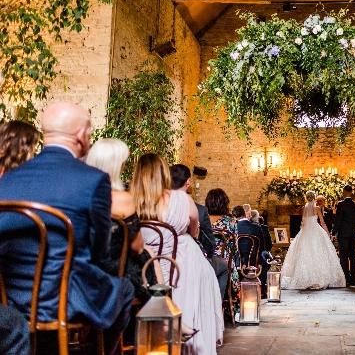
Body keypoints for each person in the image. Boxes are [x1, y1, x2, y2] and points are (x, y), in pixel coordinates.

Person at [0, 102, 134, 355]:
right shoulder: (92, 180)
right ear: (82, 136)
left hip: (10, 299)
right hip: (61, 299)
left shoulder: (8, 180)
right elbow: (99, 251)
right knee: (124, 289)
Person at [133, 154, 223, 355]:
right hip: (178, 263)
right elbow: (193, 230)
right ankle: (194, 342)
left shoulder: (132, 201)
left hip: (144, 266)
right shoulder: (182, 198)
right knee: (203, 269)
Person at [86, 138, 162, 303]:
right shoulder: (122, 199)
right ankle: (162, 315)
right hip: (112, 266)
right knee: (147, 254)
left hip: (83, 262)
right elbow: (137, 247)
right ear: (116, 167)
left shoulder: (80, 194)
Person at [170, 164, 229, 297]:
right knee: (223, 265)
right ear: (188, 182)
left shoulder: (159, 206)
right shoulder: (200, 210)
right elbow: (209, 247)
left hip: (165, 259)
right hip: (191, 262)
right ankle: (215, 303)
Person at [281, 190, 346, 289]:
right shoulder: (317, 208)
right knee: (319, 253)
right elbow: (323, 222)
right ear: (314, 198)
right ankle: (318, 277)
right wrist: (328, 234)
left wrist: (302, 232)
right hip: (316, 230)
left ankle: (306, 277)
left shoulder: (304, 208)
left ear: (306, 198)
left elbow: (303, 222)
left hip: (306, 231)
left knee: (305, 254)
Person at [206, 188, 240, 313]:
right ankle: (221, 306)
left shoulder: (203, 220)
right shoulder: (231, 222)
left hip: (204, 259)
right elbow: (235, 248)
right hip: (224, 261)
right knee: (229, 263)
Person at [234, 205, 269, 298]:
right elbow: (262, 246)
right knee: (264, 264)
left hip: (238, 260)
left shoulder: (234, 226)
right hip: (254, 259)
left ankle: (237, 291)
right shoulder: (256, 227)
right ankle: (262, 291)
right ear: (247, 214)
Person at [332, 185, 355, 287]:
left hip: (343, 234)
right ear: (351, 192)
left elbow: (338, 220)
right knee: (352, 256)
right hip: (352, 233)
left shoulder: (341, 204)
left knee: (343, 256)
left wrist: (333, 232)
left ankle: (346, 278)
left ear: (344, 192)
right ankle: (353, 279)